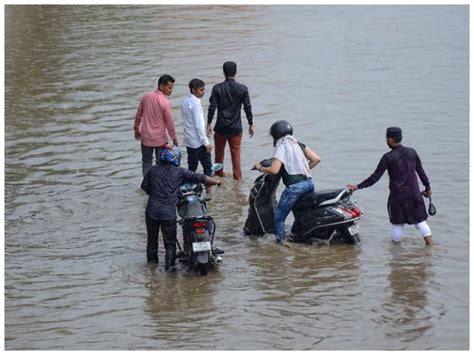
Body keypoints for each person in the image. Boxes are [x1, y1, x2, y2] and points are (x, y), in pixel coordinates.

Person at [346, 127, 433, 246]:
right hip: (414, 193)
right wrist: (428, 187)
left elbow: (375, 177)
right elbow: (421, 172)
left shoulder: (388, 157)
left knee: (397, 225)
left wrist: (358, 186)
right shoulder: (412, 152)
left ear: (391, 139)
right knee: (420, 222)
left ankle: (395, 258)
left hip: (398, 196)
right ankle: (430, 248)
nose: (386, 141)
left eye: (387, 138)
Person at [141, 145, 221, 270]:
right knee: (170, 244)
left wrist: (156, 193)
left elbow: (144, 186)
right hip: (168, 213)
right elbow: (199, 177)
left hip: (152, 211)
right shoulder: (180, 172)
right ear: (175, 159)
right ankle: (170, 271)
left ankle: (152, 272)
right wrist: (216, 181)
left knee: (152, 242)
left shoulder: (153, 170)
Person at [254, 120, 321, 244]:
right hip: (309, 184)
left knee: (279, 218)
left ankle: (281, 244)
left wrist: (260, 168)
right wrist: (303, 169)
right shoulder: (298, 144)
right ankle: (300, 237)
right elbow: (316, 159)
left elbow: (274, 170)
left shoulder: (282, 147)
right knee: (300, 213)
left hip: (295, 188)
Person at [207, 61, 254, 180]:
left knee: (219, 156)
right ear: (236, 72)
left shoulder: (217, 88)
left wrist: (208, 123)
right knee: (236, 157)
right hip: (236, 128)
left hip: (220, 127)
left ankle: (218, 179)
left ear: (223, 72)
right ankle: (238, 182)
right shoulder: (242, 88)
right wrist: (250, 123)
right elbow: (247, 107)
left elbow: (212, 107)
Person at [134, 74, 179, 178]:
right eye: (169, 88)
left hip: (146, 137)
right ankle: (158, 184)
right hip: (160, 139)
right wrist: (174, 138)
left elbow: (138, 115)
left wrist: (136, 129)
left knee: (146, 162)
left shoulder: (146, 97)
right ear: (161, 86)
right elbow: (169, 123)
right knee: (161, 163)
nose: (171, 90)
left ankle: (147, 184)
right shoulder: (165, 102)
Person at [181, 78, 213, 196]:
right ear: (193, 90)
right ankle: (209, 193)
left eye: (204, 89)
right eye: (201, 90)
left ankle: (189, 192)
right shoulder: (195, 103)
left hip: (189, 141)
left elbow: (187, 123)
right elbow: (199, 125)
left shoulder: (185, 101)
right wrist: (206, 143)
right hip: (198, 142)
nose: (203, 92)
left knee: (192, 168)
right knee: (207, 167)